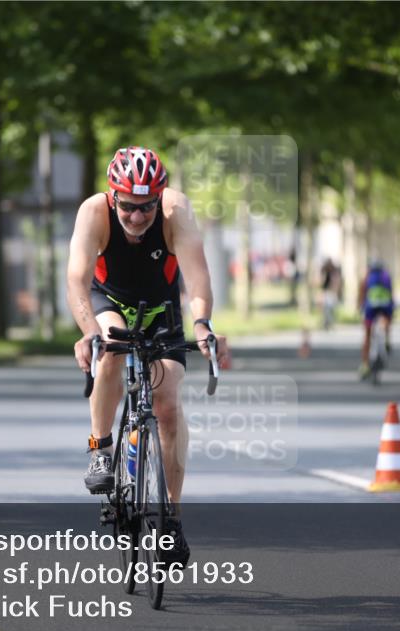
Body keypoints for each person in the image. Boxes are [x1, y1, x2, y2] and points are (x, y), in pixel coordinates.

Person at [67, 146, 231, 566]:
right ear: (112, 196)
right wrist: (89, 333)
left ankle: (172, 520)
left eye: (146, 208)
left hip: (160, 307)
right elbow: (76, 280)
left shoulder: (177, 212)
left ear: (159, 198)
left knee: (169, 405)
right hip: (108, 301)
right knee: (112, 348)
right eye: (128, 207)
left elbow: (197, 278)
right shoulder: (93, 212)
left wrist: (202, 325)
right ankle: (100, 447)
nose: (137, 218)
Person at [358, 260, 394, 379]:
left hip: (371, 308)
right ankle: (387, 340)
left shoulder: (367, 277)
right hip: (385, 307)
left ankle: (365, 365)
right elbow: (391, 294)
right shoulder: (387, 277)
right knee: (386, 323)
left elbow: (362, 293)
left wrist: (360, 306)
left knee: (367, 334)